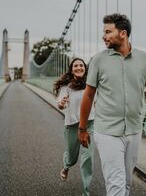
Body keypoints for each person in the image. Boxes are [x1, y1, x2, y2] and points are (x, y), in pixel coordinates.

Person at [78, 13, 146, 196]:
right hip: (107, 131)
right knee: (116, 184)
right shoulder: (98, 60)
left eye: (108, 32)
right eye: (104, 32)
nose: (104, 36)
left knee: (126, 182)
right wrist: (82, 128)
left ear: (123, 33)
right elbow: (88, 95)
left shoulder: (144, 59)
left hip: (134, 130)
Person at [53, 57, 95, 196]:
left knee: (87, 157)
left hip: (90, 123)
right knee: (72, 156)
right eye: (75, 66)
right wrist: (62, 103)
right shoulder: (67, 87)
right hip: (72, 124)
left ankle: (86, 192)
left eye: (81, 65)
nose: (78, 68)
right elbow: (60, 102)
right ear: (71, 70)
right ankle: (66, 166)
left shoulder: (91, 84)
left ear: (85, 68)